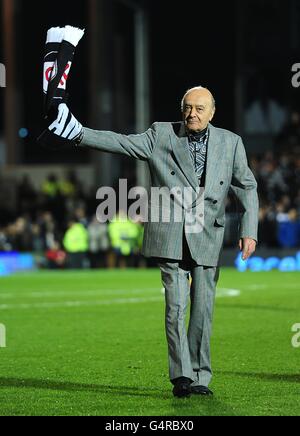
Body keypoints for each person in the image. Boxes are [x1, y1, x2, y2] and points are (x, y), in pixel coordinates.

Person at [39, 86, 259, 398]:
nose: (192, 114)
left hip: (208, 232)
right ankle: (182, 376)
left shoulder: (231, 142)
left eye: (199, 108)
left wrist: (248, 230)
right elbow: (120, 142)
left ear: (212, 112)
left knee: (203, 309)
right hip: (169, 230)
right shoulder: (161, 135)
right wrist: (77, 132)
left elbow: (247, 186)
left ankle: (200, 377)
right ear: (181, 109)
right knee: (176, 305)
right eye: (187, 108)